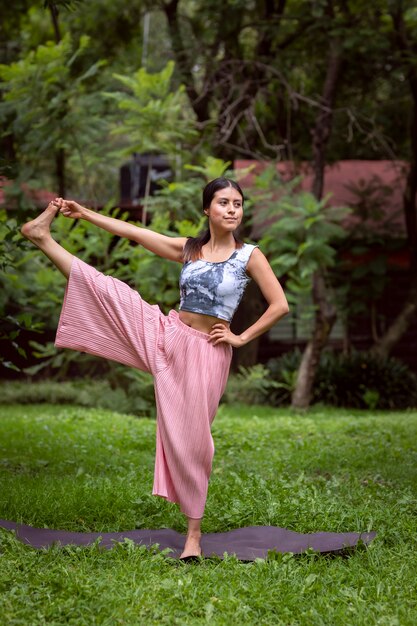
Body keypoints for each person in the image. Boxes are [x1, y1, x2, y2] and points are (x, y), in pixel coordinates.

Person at [21, 177, 289, 559]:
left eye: (238, 204)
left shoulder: (249, 256)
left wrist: (242, 338)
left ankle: (192, 535)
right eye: (224, 203)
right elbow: (136, 232)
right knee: (111, 292)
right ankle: (42, 238)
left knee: (196, 441)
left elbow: (279, 304)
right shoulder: (189, 249)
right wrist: (85, 214)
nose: (233, 209)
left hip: (207, 352)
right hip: (169, 335)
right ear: (207, 210)